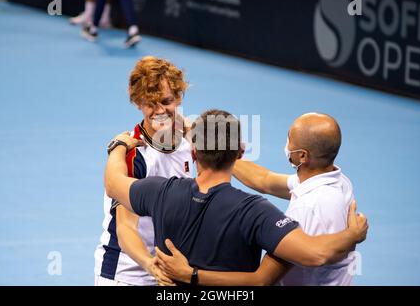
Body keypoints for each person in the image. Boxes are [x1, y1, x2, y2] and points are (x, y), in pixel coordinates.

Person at [104, 109, 368, 285]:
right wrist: (352, 236)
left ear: (193, 153)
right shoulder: (257, 213)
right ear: (240, 153)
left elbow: (114, 184)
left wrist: (119, 146)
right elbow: (308, 257)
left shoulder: (158, 191)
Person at [94, 56, 191, 286]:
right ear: (138, 102)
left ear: (179, 98)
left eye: (166, 101)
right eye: (150, 103)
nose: (159, 111)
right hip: (127, 275)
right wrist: (151, 266)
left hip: (171, 270)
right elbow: (125, 227)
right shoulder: (133, 154)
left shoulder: (189, 139)